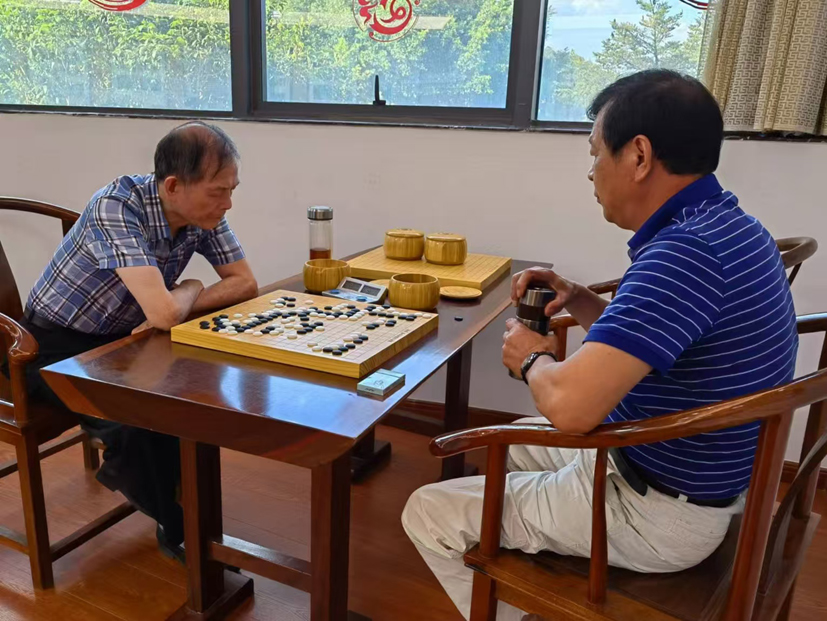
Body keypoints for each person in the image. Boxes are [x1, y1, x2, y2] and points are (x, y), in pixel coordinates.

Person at [402, 70, 799, 620]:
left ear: (639, 155)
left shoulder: (683, 256)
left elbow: (571, 408)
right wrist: (580, 298)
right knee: (514, 447)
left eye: (594, 153)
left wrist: (532, 357)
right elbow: (661, 341)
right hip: (695, 476)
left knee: (428, 511)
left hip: (661, 511)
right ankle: (537, 566)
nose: (591, 172)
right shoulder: (727, 227)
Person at [5, 121, 257, 560]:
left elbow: (244, 282)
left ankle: (184, 500)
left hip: (124, 337)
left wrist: (180, 298)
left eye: (231, 191)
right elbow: (163, 315)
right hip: (47, 348)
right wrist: (190, 286)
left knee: (196, 390)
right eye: (219, 192)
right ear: (174, 185)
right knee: (136, 419)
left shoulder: (202, 213)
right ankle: (178, 527)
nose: (227, 203)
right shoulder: (118, 205)